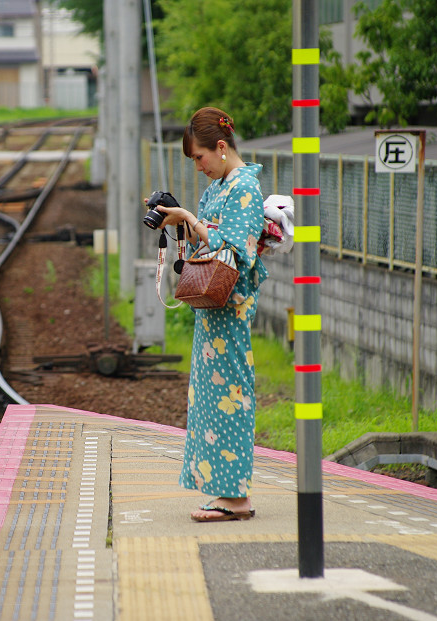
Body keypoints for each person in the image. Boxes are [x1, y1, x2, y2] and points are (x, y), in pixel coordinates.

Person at [148, 106, 268, 522]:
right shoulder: (218, 188)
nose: (198, 167)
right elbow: (203, 245)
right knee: (209, 402)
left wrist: (191, 219)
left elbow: (235, 252)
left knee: (230, 397)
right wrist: (178, 220)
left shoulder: (244, 190)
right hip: (210, 309)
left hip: (230, 310)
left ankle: (237, 498)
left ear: (221, 147)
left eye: (199, 158)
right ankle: (222, 491)